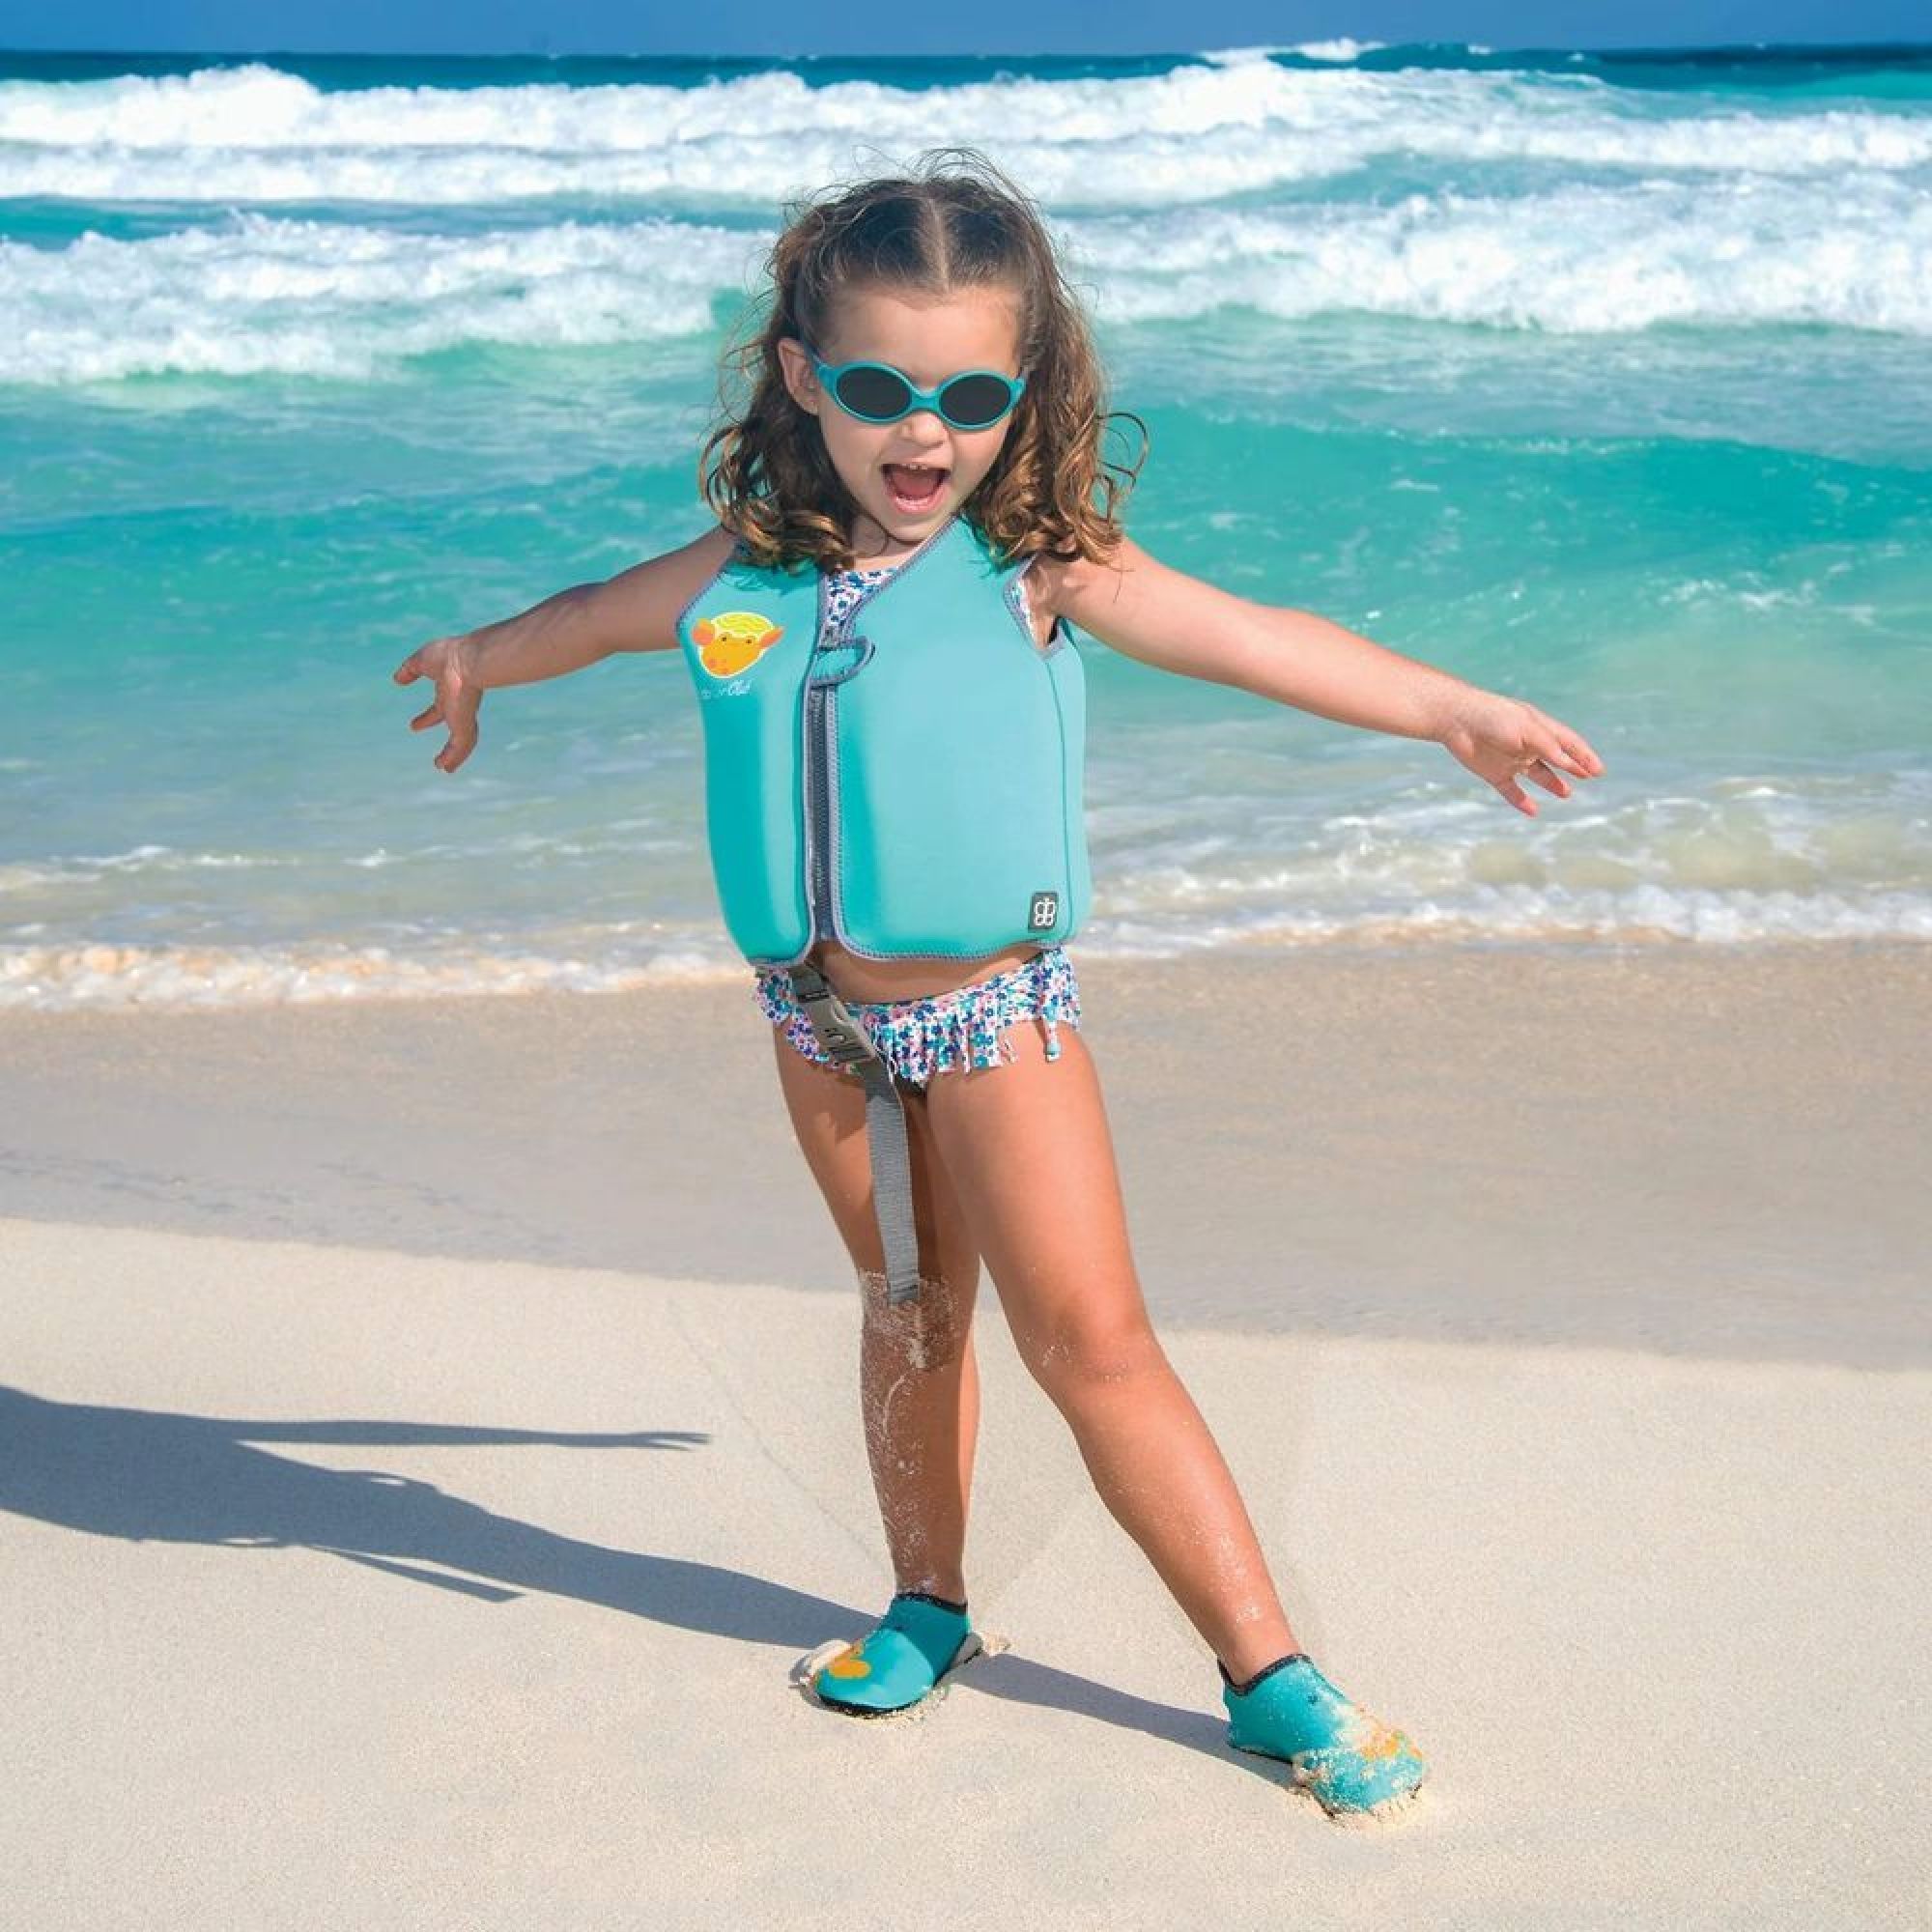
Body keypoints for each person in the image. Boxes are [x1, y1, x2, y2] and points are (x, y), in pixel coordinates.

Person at [391, 148, 1605, 1821]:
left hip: (990, 1018)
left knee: (1091, 1342)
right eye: (881, 387)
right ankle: (928, 1609)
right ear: (805, 378)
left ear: (1021, 394)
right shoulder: (742, 573)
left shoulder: (1039, 566)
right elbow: (596, 616)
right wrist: (476, 660)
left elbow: (1257, 633)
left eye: (970, 395)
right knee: (906, 1312)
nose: (924, 435)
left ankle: (1269, 1676)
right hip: (815, 1027)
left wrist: (1448, 708)